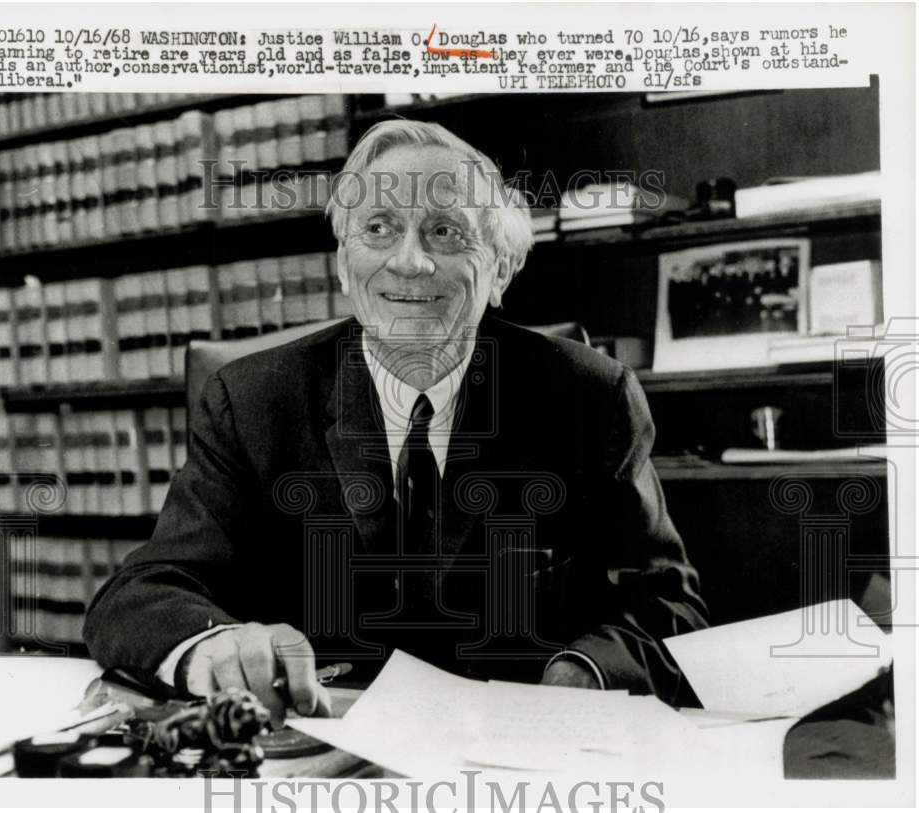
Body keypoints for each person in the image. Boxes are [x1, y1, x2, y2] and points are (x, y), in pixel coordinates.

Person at [84, 119, 707, 725]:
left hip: (517, 753)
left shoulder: (589, 398)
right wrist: (213, 645)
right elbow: (142, 591)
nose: (408, 263)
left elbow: (669, 606)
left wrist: (584, 671)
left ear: (501, 270)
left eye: (444, 231)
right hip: (315, 751)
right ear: (342, 265)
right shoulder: (251, 402)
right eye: (378, 228)